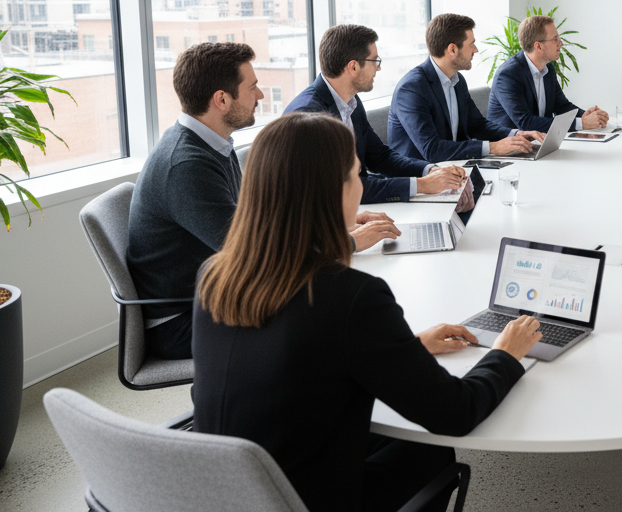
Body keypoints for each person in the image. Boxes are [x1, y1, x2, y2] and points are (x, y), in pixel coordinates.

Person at [193, 112, 543, 512]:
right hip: (309, 500)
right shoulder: (351, 296)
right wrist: (505, 354)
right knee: (432, 450)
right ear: (333, 191)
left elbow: (293, 358)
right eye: (357, 176)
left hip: (228, 490)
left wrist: (405, 348)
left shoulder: (214, 275)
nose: (361, 188)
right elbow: (455, 413)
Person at [127, 42, 401, 361]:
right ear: (221, 99)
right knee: (327, 312)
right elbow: (254, 252)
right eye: (253, 87)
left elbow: (257, 225)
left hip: (221, 290)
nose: (260, 96)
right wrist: (345, 243)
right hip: (183, 320)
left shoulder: (212, 144)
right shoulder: (186, 165)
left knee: (334, 298)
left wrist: (338, 223)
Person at [285, 24, 467, 204]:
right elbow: (343, 189)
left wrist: (429, 170)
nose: (378, 68)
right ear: (353, 67)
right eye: (375, 61)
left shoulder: (351, 101)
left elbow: (380, 156)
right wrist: (422, 185)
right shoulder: (308, 116)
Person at [389, 13, 544, 163]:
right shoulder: (411, 89)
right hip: (421, 179)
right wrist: (492, 148)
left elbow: (477, 125)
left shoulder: (457, 80)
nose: (475, 50)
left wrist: (516, 134)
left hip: (454, 168)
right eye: (472, 44)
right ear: (453, 50)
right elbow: (432, 149)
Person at [487, 14, 608, 132]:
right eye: (555, 39)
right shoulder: (508, 75)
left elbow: (561, 106)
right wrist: (581, 124)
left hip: (538, 142)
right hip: (507, 147)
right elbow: (525, 122)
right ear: (538, 46)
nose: (560, 43)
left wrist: (586, 116)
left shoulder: (548, 68)